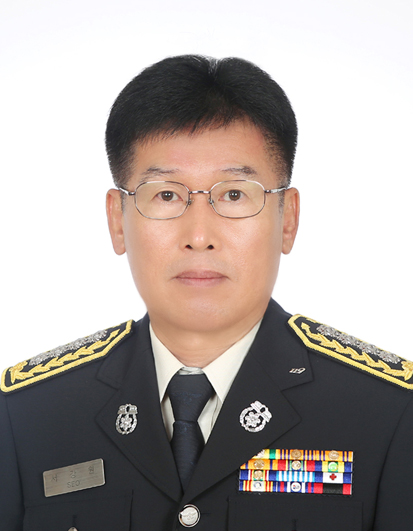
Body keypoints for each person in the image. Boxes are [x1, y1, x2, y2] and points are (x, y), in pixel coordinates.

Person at [1, 55, 412, 531]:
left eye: (234, 195)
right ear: (117, 220)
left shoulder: (388, 413)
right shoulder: (27, 416)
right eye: (166, 195)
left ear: (288, 218)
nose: (199, 236)